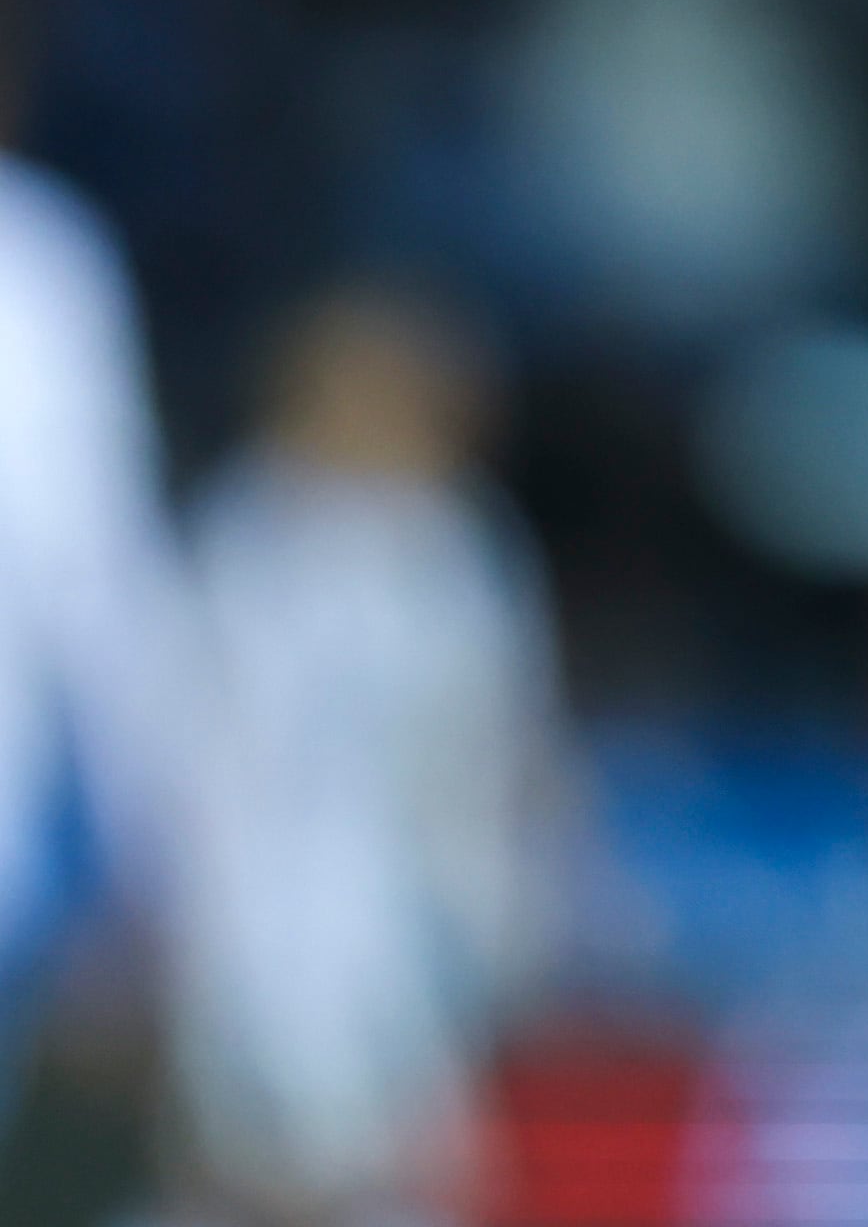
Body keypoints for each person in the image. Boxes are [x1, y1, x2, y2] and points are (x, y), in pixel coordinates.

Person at [159, 280, 568, 1227]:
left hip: (410, 946)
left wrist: (501, 927)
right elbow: (196, 768)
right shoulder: (246, 544)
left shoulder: (457, 559)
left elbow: (495, 769)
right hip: (256, 936)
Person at [0, 0, 189, 1137]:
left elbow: (99, 588)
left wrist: (151, 858)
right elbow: (102, 589)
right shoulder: (37, 263)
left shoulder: (36, 264)